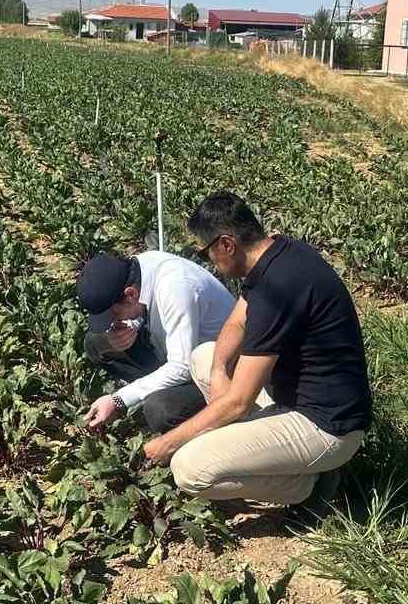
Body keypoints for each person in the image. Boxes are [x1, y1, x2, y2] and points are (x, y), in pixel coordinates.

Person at [142, 192, 371, 510]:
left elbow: (239, 402)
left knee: (188, 468)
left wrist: (167, 443)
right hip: (295, 398)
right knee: (205, 355)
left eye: (207, 253)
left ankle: (306, 484)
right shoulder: (277, 253)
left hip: (327, 427)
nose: (212, 265)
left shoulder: (277, 290)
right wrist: (220, 370)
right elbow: (236, 324)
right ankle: (270, 455)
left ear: (226, 244)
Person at [76, 250, 235, 435]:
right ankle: (148, 390)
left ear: (130, 293)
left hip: (218, 371)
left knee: (159, 409)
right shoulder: (139, 270)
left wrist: (119, 400)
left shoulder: (176, 288)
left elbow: (182, 367)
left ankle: (205, 427)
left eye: (114, 314)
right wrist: (128, 328)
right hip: (174, 348)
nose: (112, 321)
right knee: (96, 343)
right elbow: (142, 306)